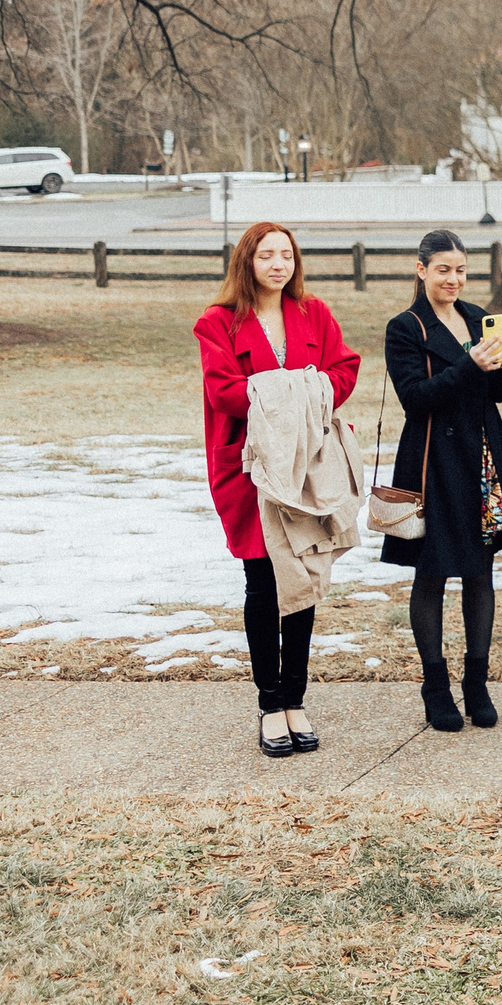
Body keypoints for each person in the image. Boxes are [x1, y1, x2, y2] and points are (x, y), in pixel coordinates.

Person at [194, 221, 361, 758]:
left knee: (304, 579)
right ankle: (269, 705)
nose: (277, 264)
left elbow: (344, 371)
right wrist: (299, 389)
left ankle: (296, 700)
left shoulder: (315, 314)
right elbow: (225, 394)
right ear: (247, 262)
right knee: (264, 586)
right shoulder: (217, 323)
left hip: (308, 469)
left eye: (285, 254)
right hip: (250, 471)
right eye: (265, 255)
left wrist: (296, 389)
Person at [380, 230, 502, 734]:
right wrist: (469, 364)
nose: (454, 279)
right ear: (421, 270)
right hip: (431, 459)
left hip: (482, 456)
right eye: (443, 269)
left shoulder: (475, 316)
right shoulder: (405, 327)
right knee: (433, 571)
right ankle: (435, 686)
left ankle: (476, 683)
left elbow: (500, 392)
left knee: (481, 571)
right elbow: (415, 399)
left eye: (461, 269)